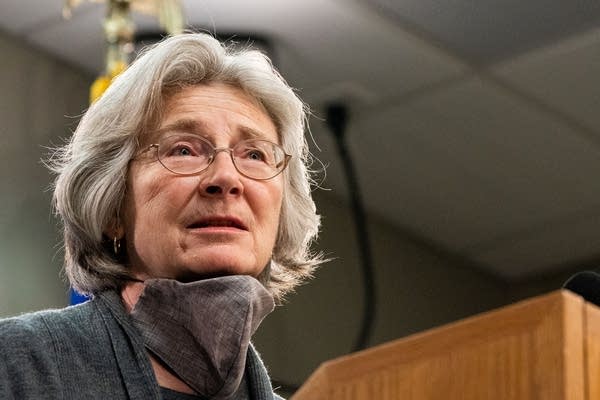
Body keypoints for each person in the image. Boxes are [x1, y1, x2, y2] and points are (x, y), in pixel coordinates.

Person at [0, 33, 322, 399]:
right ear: (112, 208)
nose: (226, 178)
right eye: (184, 149)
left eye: (254, 155)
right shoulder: (17, 363)